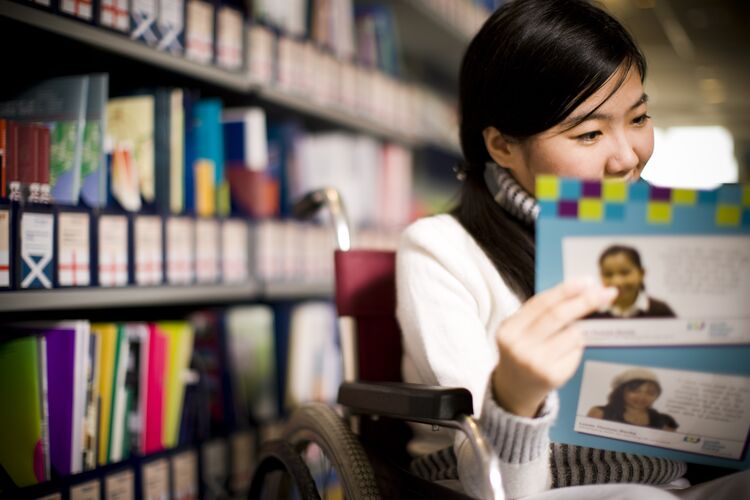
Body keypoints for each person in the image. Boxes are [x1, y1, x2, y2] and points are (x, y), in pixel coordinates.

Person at [395, 0, 750, 498]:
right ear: (501, 147)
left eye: (640, 117)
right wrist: (515, 396)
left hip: (666, 484)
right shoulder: (442, 250)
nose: (627, 157)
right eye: (589, 133)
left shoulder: (661, 234)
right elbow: (502, 488)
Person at [588, 245, 676, 318]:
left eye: (625, 273)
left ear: (641, 273)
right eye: (608, 274)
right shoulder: (591, 312)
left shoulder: (660, 311)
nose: (617, 282)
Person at [587, 368, 678, 430]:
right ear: (621, 391)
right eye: (635, 391)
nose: (642, 397)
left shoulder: (666, 421)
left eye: (650, 392)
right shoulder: (599, 413)